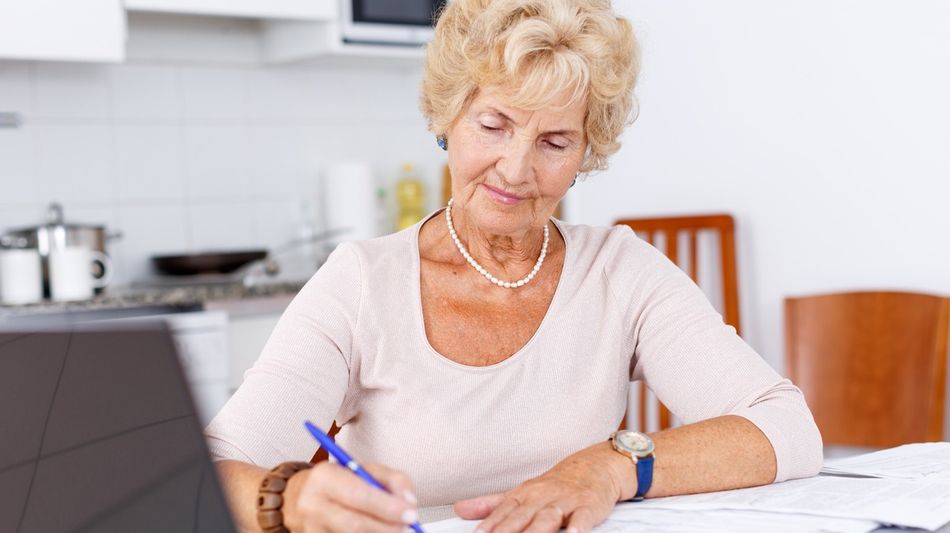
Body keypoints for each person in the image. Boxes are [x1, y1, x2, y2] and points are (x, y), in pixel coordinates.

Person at [206, 0, 823, 531]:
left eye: (555, 142)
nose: (516, 169)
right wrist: (285, 498)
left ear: (586, 153)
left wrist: (609, 466)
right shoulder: (362, 283)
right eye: (494, 125)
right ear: (448, 118)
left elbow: (786, 427)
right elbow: (209, 465)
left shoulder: (619, 272)